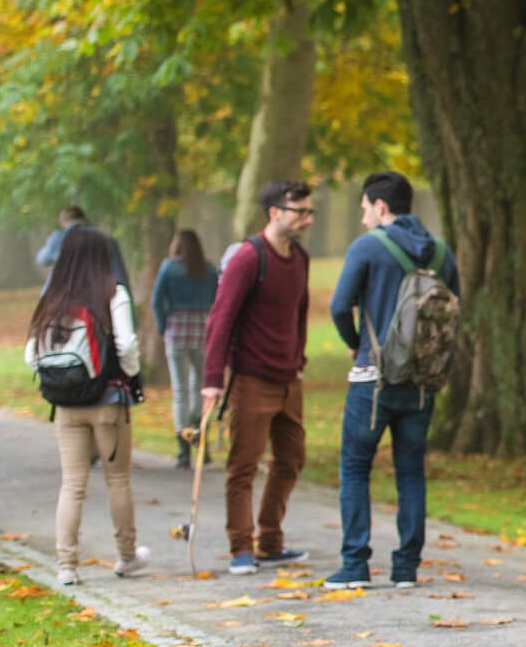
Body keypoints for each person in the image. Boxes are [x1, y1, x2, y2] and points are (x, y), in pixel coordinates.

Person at [324, 171, 459, 590]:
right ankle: (406, 568)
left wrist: (357, 342)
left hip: (373, 378)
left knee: (355, 467)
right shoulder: (440, 254)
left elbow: (338, 306)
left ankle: (354, 564)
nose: (363, 218)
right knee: (411, 471)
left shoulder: (368, 246)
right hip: (421, 382)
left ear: (380, 206)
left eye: (365, 209)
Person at [202, 180, 318, 575]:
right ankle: (241, 548)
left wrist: (298, 357)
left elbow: (300, 313)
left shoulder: (300, 258)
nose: (307, 218)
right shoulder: (250, 257)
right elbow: (221, 317)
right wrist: (213, 378)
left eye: (309, 211)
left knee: (291, 459)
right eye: (299, 211)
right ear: (274, 213)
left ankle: (271, 541)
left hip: (289, 379)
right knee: (243, 465)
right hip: (251, 379)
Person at [24, 227, 150, 586]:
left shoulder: (51, 298)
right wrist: (129, 376)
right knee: (118, 479)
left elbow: (30, 355)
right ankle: (127, 556)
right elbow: (126, 347)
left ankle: (66, 566)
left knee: (72, 484)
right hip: (108, 403)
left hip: (65, 407)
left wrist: (60, 382)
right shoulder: (113, 294)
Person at [152, 229, 220, 466]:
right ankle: (200, 435)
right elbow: (218, 300)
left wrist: (163, 326)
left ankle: (183, 445)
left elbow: (156, 301)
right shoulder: (209, 269)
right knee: (201, 387)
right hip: (203, 330)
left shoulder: (168, 268)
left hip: (177, 329)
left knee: (180, 390)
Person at [37, 204, 130, 290]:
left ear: (63, 224)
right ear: (84, 219)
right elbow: (120, 275)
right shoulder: (107, 240)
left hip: (66, 296)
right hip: (98, 295)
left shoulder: (58, 239)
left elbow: (42, 260)